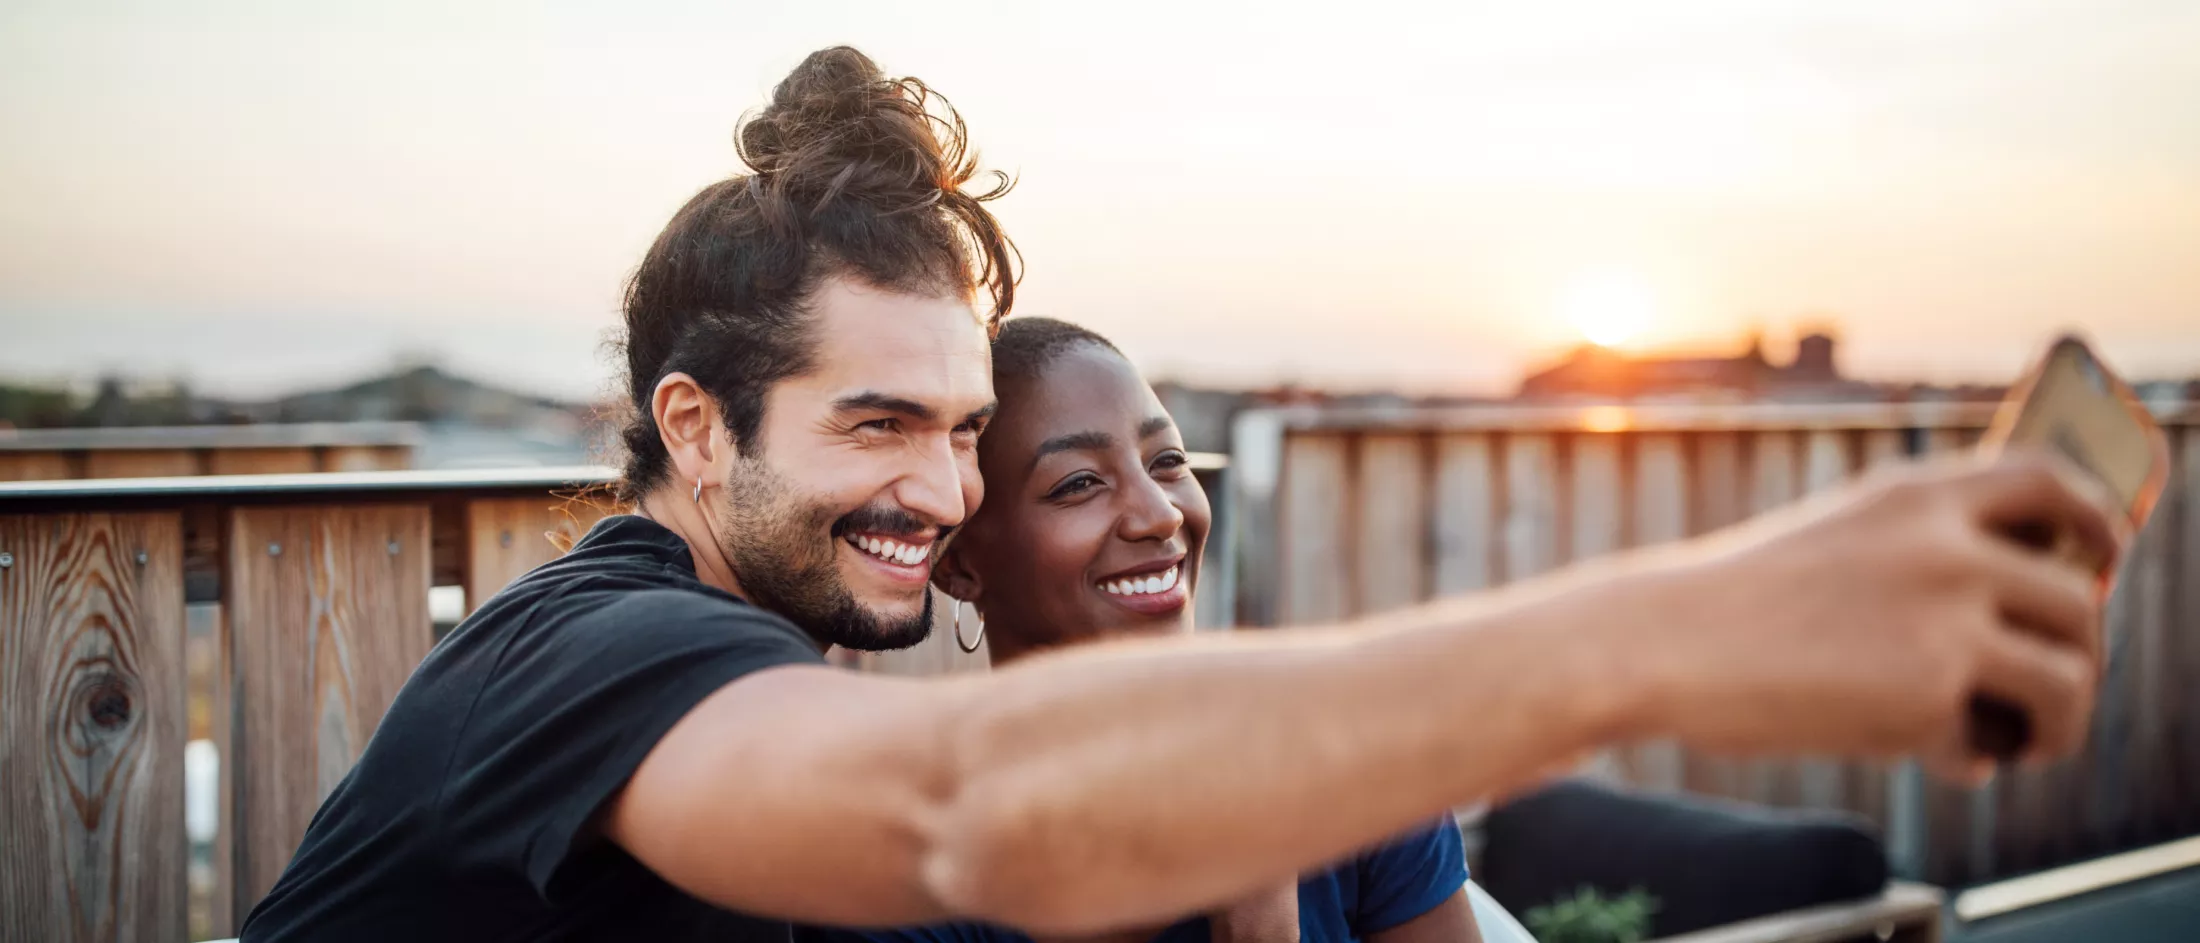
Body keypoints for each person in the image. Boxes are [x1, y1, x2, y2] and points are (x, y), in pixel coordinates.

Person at [239, 46, 2123, 943]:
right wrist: (1692, 624)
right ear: (697, 424)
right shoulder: (596, 647)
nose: (935, 482)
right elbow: (972, 811)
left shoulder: (755, 677)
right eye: (877, 421)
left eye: (961, 428)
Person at [806, 316, 1490, 943]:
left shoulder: (1351, 761)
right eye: (1077, 483)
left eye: (1168, 462)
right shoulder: (906, 874)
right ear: (959, 567)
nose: (1160, 512)